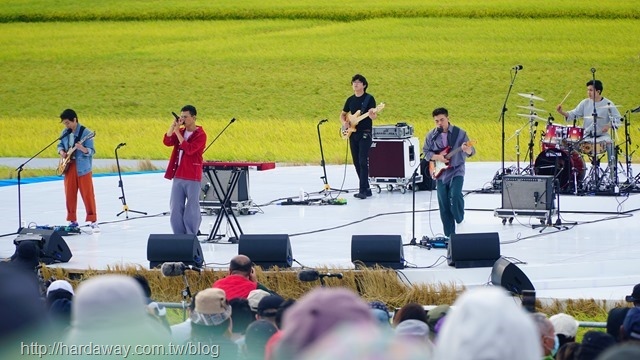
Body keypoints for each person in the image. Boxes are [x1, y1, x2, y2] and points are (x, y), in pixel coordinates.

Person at [422, 107, 475, 238]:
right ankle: (450, 236)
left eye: (442, 120)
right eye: (436, 121)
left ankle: (459, 217)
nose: (440, 123)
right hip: (440, 172)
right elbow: (426, 153)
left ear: (448, 118)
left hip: (457, 169)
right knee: (443, 204)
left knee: (455, 194)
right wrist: (438, 157)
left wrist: (467, 149)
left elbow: (471, 152)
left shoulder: (460, 133)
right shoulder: (431, 135)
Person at [556, 79, 622, 181]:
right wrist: (562, 112)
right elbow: (573, 114)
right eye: (588, 90)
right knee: (567, 143)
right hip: (587, 135)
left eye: (591, 90)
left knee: (611, 143)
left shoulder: (608, 104)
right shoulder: (585, 103)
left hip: (602, 136)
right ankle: (570, 175)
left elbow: (618, 119)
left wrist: (609, 125)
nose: (588, 93)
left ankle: (613, 176)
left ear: (598, 91)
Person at [163, 104, 207, 235]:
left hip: (192, 175)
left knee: (192, 207)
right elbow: (167, 141)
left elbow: (190, 150)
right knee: (175, 207)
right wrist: (173, 126)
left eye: (185, 117)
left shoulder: (201, 134)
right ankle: (178, 235)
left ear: (193, 118)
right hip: (178, 174)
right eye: (181, 116)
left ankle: (191, 234)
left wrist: (177, 132)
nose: (182, 119)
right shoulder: (180, 132)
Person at [57, 109, 98, 231]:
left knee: (87, 194)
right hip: (69, 166)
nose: (66, 125)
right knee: (69, 194)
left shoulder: (86, 133)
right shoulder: (65, 132)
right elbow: (59, 145)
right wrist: (62, 152)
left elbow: (92, 151)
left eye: (68, 123)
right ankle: (72, 220)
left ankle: (93, 220)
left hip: (83, 168)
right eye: (65, 123)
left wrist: (83, 149)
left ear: (74, 120)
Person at [340, 74, 378, 199]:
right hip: (353, 133)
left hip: (365, 132)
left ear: (364, 85)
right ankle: (366, 188)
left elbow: (373, 115)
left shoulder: (369, 98)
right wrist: (345, 123)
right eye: (353, 82)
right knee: (356, 162)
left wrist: (372, 114)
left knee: (363, 161)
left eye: (358, 82)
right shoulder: (350, 100)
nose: (355, 84)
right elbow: (343, 114)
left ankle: (362, 190)